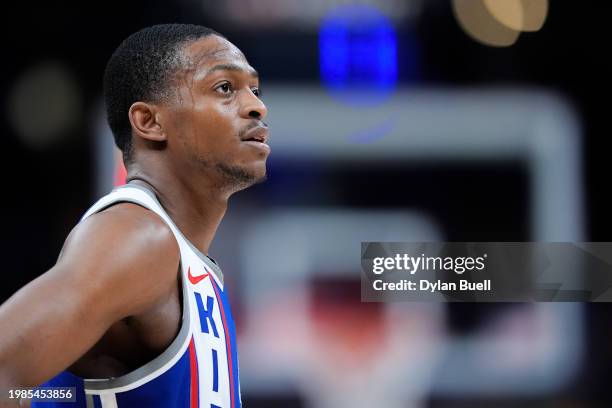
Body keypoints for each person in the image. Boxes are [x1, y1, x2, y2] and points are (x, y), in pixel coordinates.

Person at [0, 23, 269, 407]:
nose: (257, 106)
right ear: (149, 122)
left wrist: (51, 397)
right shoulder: (138, 237)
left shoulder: (185, 259)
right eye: (224, 88)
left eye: (254, 90)